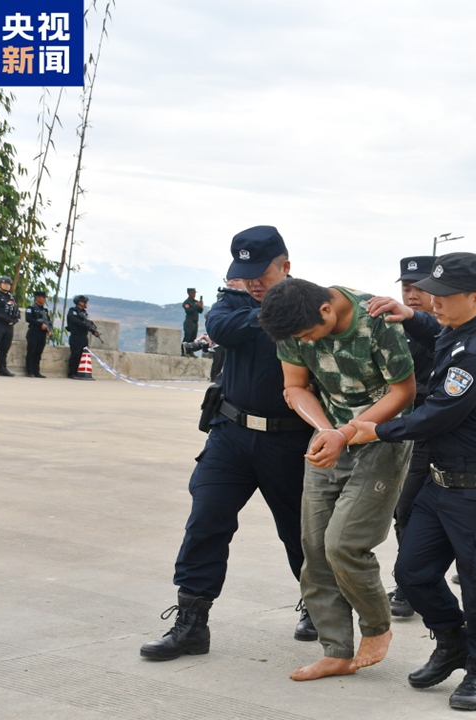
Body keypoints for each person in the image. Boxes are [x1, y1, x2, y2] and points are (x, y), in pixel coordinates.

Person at [353, 252, 476, 711]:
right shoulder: (465, 327)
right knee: (413, 573)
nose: (434, 301)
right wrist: (413, 317)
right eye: (433, 292)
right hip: (441, 482)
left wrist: (378, 429)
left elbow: (438, 413)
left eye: (444, 296)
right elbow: (442, 332)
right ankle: (452, 642)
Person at [139, 226, 316, 662]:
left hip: (290, 442)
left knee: (302, 535)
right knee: (206, 521)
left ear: (286, 267)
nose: (254, 281)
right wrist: (277, 315)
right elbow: (220, 327)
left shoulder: (312, 304)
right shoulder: (232, 303)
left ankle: (318, 607)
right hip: (231, 436)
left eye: (263, 272)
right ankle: (191, 624)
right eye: (246, 272)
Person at [257, 277, 416, 682]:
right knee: (313, 545)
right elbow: (294, 387)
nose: (305, 343)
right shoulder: (296, 324)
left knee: (344, 542)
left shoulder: (376, 320)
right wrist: (327, 430)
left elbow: (403, 392)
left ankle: (377, 626)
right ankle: (335, 651)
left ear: (327, 310)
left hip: (382, 436)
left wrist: (346, 433)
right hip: (329, 435)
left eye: (308, 335)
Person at [387, 255, 436, 618]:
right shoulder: (392, 327)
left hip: (433, 429)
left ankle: (416, 583)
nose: (413, 293)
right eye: (407, 287)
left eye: (420, 287)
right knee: (402, 511)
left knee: (418, 510)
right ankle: (410, 583)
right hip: (397, 429)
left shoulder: (449, 329)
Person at [65, 295, 100, 379]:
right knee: (75, 355)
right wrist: (86, 325)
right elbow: (77, 321)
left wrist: (93, 330)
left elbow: (88, 323)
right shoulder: (73, 311)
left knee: (83, 355)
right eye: (84, 302)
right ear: (79, 302)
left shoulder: (84, 313)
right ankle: (72, 373)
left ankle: (80, 373)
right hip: (76, 336)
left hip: (83, 337)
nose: (85, 304)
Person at [24, 290, 53, 378]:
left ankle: (36, 371)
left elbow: (48, 321)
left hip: (42, 334)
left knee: (38, 353)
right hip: (33, 332)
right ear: (37, 298)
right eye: (43, 298)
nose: (44, 300)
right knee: (31, 352)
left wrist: (49, 330)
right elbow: (28, 319)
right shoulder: (31, 308)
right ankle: (29, 371)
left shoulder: (45, 310)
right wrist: (40, 324)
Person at [182, 288, 204, 354]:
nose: (194, 295)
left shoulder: (195, 302)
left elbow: (200, 311)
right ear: (189, 293)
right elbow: (188, 311)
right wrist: (196, 306)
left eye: (194, 293)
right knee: (188, 337)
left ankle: (190, 351)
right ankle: (183, 351)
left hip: (195, 322)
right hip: (189, 322)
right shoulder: (186, 302)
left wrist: (200, 306)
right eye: (193, 293)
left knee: (193, 337)